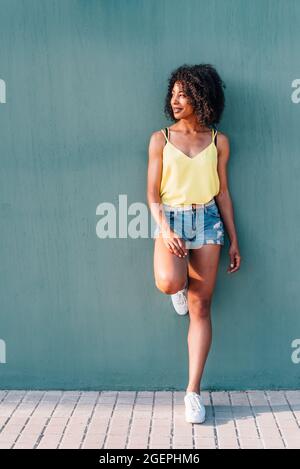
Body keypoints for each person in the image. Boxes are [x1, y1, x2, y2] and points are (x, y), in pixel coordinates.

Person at [147, 64, 241, 424]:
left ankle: (193, 392)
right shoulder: (160, 139)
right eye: (173, 93)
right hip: (171, 219)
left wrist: (233, 239)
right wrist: (165, 229)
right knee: (169, 281)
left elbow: (224, 193)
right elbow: (152, 194)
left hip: (208, 221)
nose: (175, 100)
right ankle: (179, 289)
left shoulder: (219, 142)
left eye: (183, 93)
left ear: (201, 96)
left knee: (202, 308)